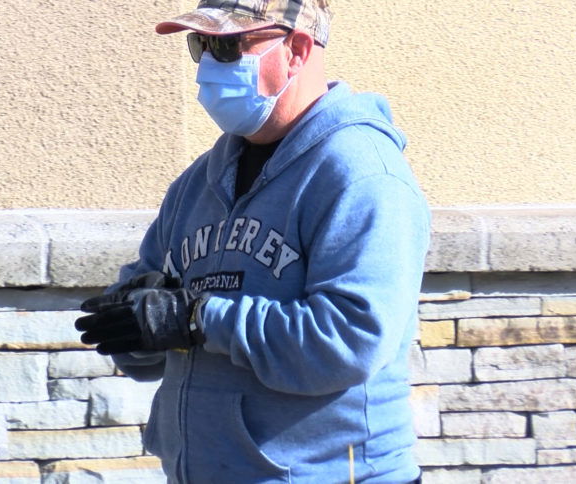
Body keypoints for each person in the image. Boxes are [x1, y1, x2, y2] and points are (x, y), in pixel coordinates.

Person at [75, 1, 430, 482]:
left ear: (297, 49)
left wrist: (198, 319)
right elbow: (151, 341)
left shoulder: (362, 173)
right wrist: (134, 325)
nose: (204, 66)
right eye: (198, 45)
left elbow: (350, 339)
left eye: (225, 46)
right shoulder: (197, 182)